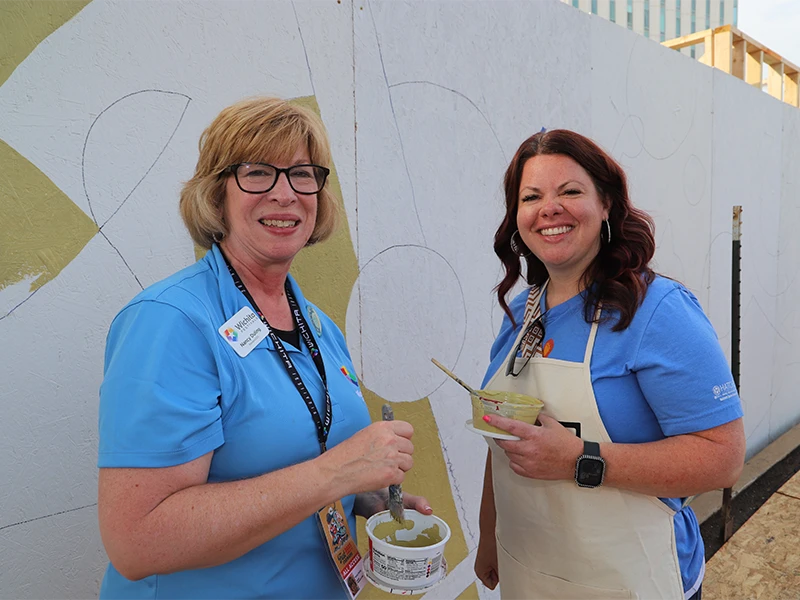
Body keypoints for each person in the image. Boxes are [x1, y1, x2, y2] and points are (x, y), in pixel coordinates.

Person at [97, 96, 431, 599]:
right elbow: (138, 540)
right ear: (217, 193)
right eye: (257, 173)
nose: (284, 194)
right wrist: (335, 471)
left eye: (302, 174)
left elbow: (300, 455)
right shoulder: (172, 321)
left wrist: (363, 494)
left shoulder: (317, 325)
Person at [474, 129, 745, 599]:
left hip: (632, 582)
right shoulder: (522, 313)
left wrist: (581, 460)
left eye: (570, 191)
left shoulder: (656, 310)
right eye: (531, 196)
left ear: (606, 205)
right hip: (531, 573)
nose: (549, 208)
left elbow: (723, 458)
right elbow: (506, 441)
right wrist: (488, 536)